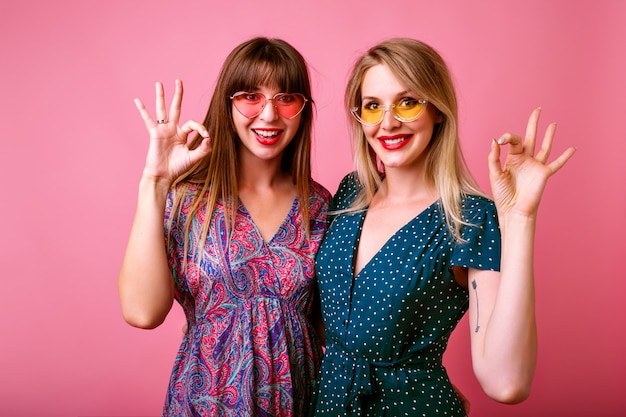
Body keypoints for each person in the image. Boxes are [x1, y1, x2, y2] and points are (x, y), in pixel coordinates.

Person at [309, 38, 576, 417]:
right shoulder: (350, 194)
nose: (388, 123)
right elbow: (331, 323)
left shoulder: (469, 218)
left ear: (437, 109)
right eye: (372, 106)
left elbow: (507, 383)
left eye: (407, 102)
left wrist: (519, 220)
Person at [118, 37, 331, 416]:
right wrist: (154, 182)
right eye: (251, 96)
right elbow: (142, 312)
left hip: (300, 401)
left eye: (286, 98)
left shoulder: (318, 205)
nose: (269, 115)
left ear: (303, 110)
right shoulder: (188, 198)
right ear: (228, 104)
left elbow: (327, 327)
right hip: (206, 399)